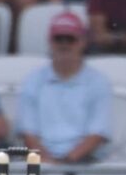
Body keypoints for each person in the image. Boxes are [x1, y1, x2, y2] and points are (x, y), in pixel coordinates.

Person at [17, 12, 112, 164]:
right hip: (41, 161)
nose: (64, 44)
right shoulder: (33, 80)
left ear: (83, 42)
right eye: (58, 38)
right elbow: (29, 133)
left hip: (85, 161)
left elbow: (96, 135)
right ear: (50, 42)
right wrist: (48, 163)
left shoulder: (98, 82)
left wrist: (65, 163)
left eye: (70, 39)